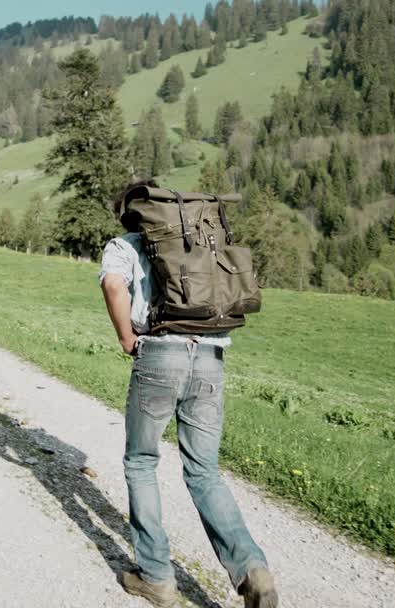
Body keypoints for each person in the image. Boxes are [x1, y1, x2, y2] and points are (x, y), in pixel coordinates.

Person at [99, 180, 278, 608]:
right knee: (204, 472)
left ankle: (156, 577)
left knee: (141, 462)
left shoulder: (123, 246)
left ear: (130, 215)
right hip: (211, 356)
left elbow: (112, 286)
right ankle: (251, 568)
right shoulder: (200, 243)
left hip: (159, 355)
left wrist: (127, 338)